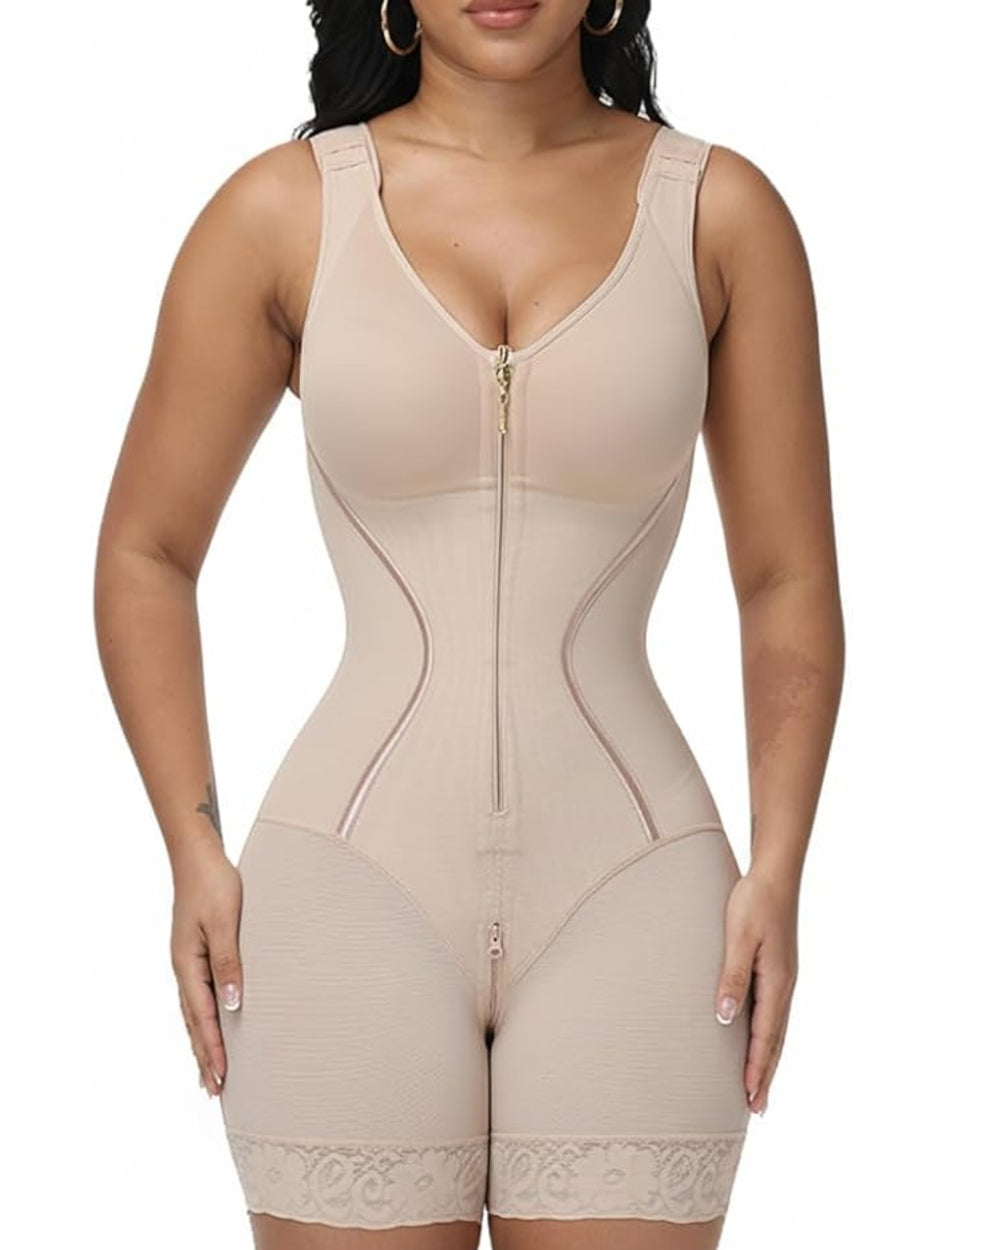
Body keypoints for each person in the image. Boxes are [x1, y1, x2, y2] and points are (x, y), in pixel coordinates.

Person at [93, 1, 845, 1247]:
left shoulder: (719, 213)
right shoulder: (283, 212)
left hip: (642, 890)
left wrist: (780, 869)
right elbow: (145, 551)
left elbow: (785, 581)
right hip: (344, 886)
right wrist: (193, 846)